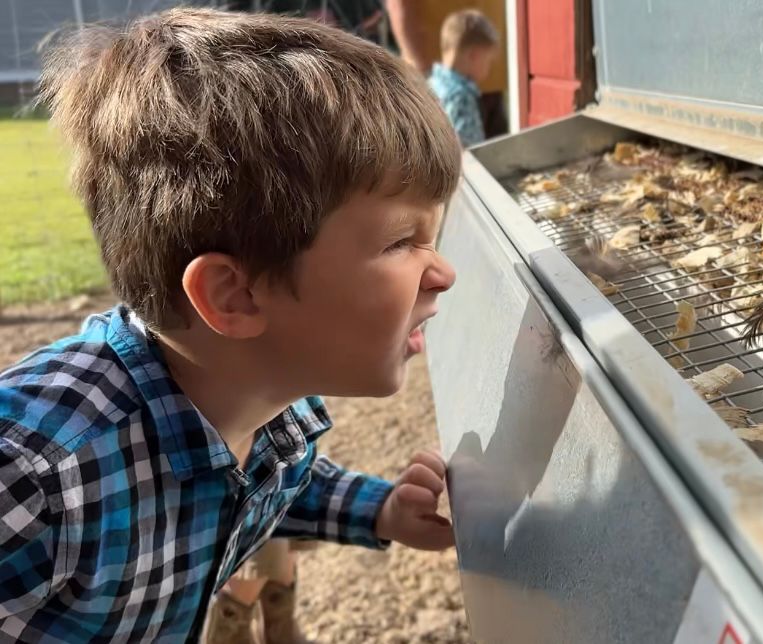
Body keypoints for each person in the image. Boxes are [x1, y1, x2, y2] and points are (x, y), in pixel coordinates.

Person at [0, 7, 460, 642]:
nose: (443, 274)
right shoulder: (34, 474)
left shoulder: (271, 409)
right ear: (235, 296)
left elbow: (267, 485)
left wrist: (380, 510)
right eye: (401, 242)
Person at [428, 9, 500, 147]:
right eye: (488, 61)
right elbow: (467, 149)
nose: (489, 68)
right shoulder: (462, 96)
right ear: (474, 56)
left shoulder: (431, 84)